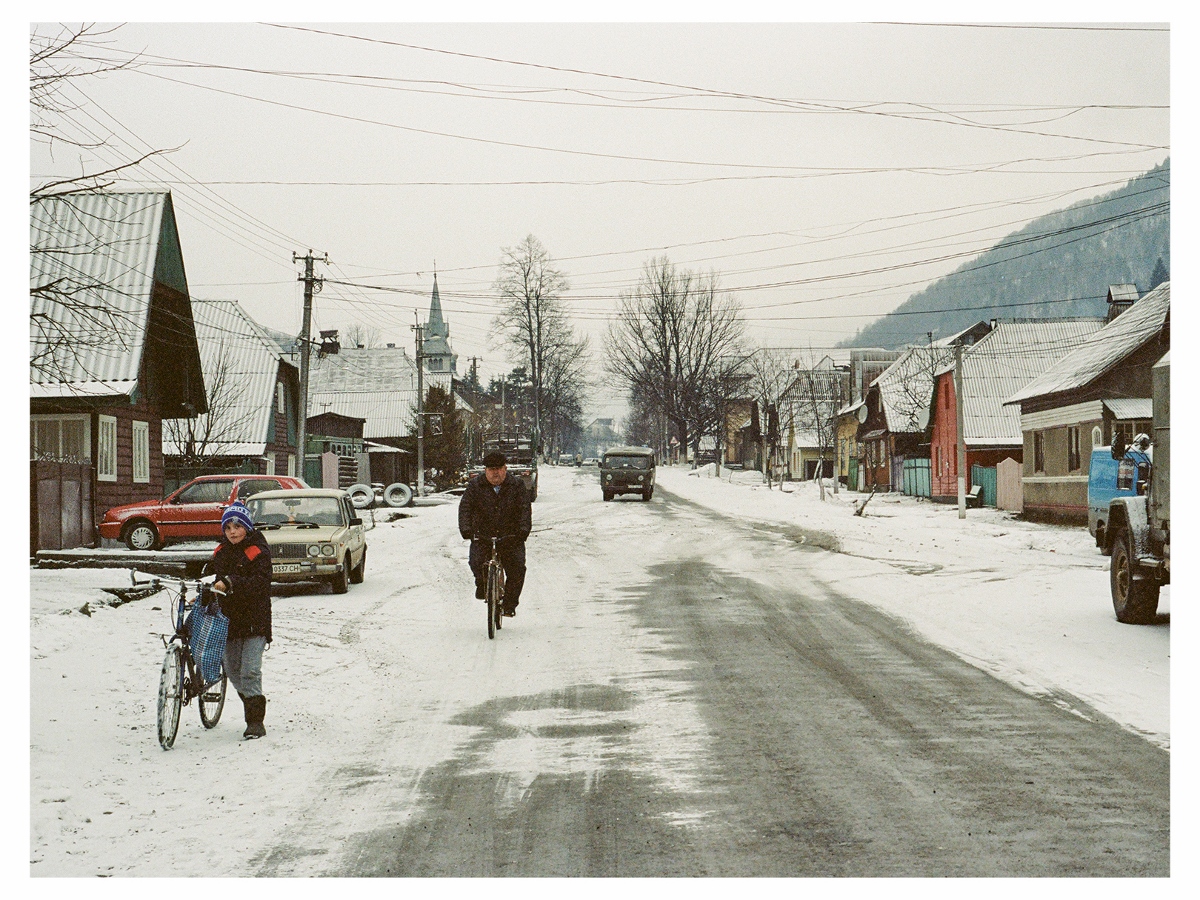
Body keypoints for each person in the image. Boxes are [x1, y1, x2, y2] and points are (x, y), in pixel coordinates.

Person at [208, 501, 272, 739]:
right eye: (228, 528)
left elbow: (261, 582)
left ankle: (255, 722)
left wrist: (232, 582)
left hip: (255, 619)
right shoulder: (221, 552)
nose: (233, 532)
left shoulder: (258, 550)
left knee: (250, 671)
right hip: (230, 620)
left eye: (237, 526)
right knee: (234, 671)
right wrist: (206, 593)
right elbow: (216, 578)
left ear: (247, 527)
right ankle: (251, 702)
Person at [458, 451, 532, 617]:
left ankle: (509, 605)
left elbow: (524, 510)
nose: (495, 472)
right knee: (476, 561)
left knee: (517, 569)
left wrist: (523, 531)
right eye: (491, 469)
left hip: (511, 536)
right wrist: (466, 529)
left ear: (505, 469)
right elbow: (465, 508)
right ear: (485, 470)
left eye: (499, 468)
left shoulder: (517, 485)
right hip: (483, 535)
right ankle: (483, 585)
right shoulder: (475, 486)